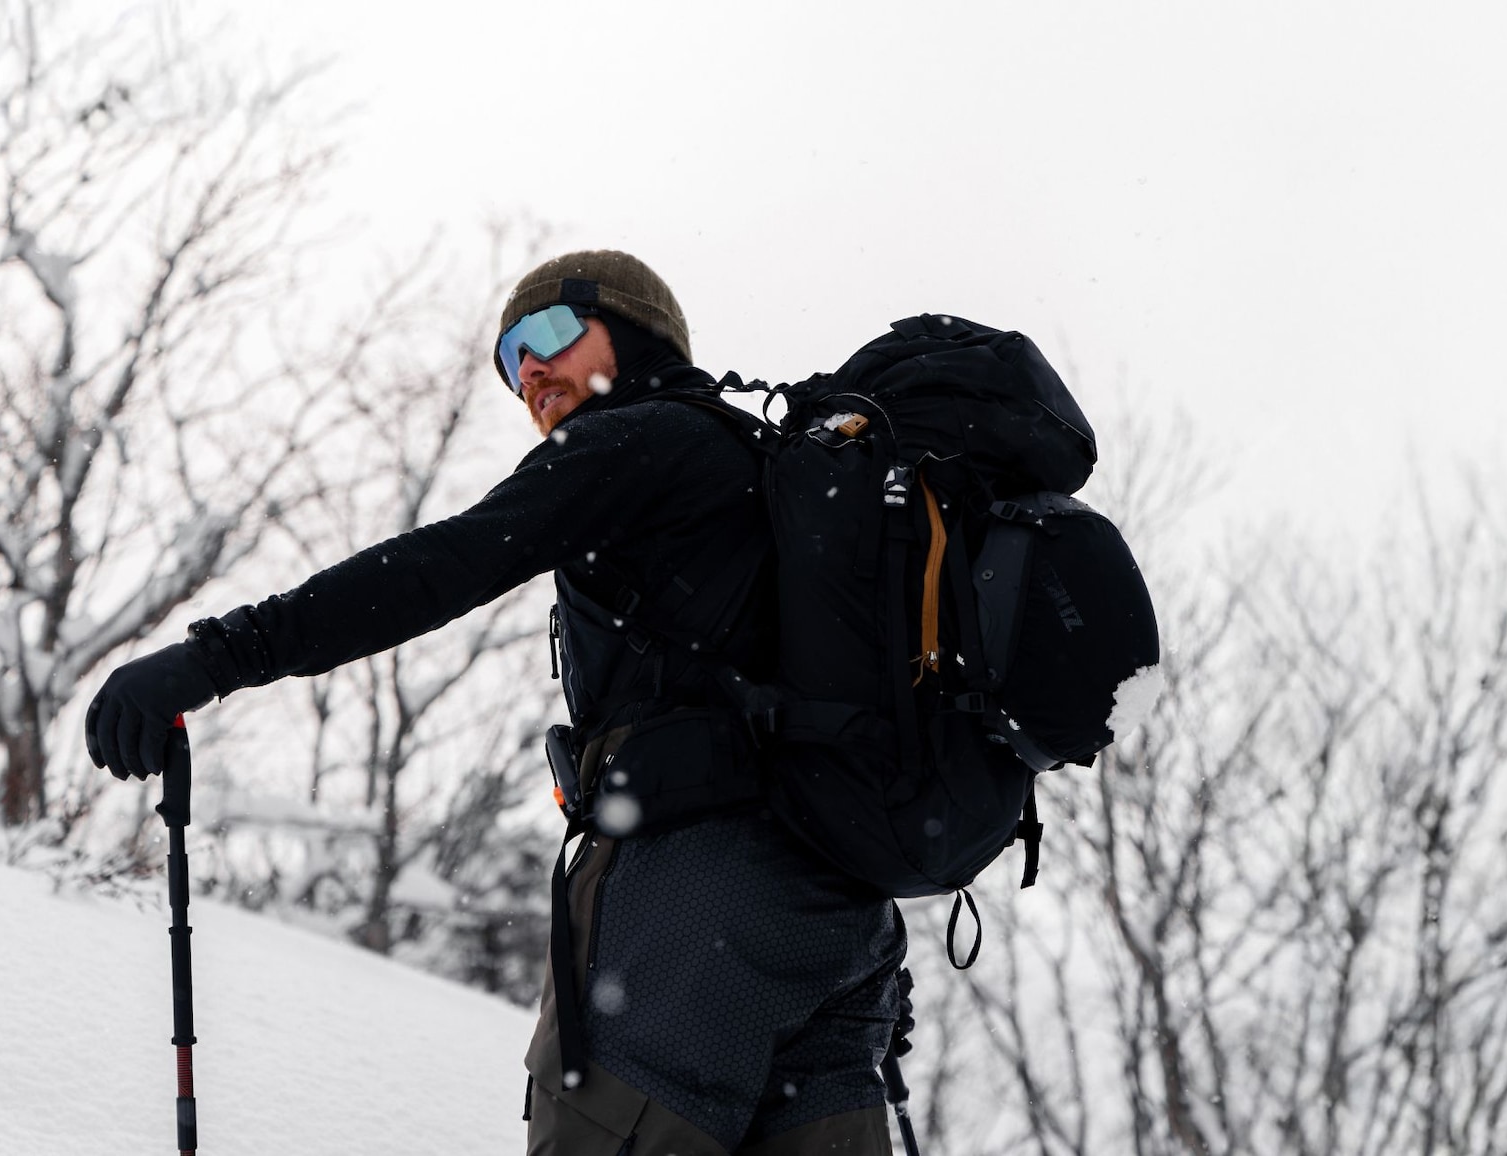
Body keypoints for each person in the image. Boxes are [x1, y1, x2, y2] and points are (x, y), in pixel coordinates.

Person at [86, 251, 906, 1156]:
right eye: (510, 357)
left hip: (690, 898)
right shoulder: (767, 467)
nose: (530, 369)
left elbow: (443, 565)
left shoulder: (637, 437)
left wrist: (216, 657)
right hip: (841, 918)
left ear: (634, 337)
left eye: (552, 333)